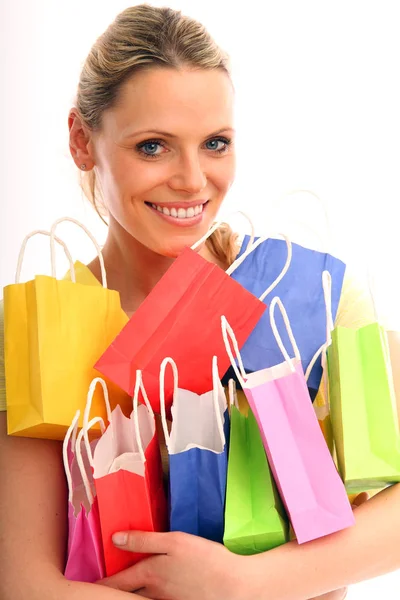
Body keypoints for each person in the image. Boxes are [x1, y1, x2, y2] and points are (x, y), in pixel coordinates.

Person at [0, 5, 398, 600]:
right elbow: (25, 581)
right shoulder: (43, 335)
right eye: (154, 146)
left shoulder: (305, 293)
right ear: (83, 142)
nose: (192, 180)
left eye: (215, 143)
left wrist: (242, 583)